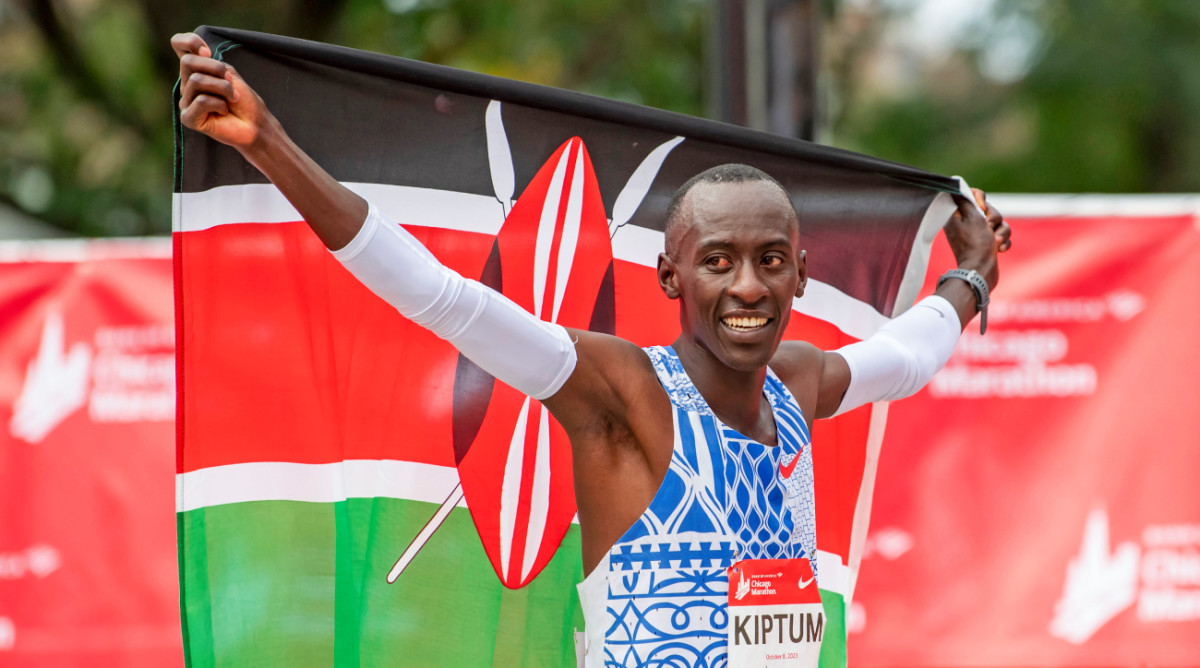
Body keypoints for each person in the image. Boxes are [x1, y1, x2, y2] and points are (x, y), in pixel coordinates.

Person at [172, 32, 1011, 667]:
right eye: (717, 263)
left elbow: (907, 355)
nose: (747, 288)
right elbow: (441, 297)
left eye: (769, 262)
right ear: (671, 277)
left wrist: (970, 272)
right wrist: (267, 144)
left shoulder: (800, 383)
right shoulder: (622, 393)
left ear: (800, 275)